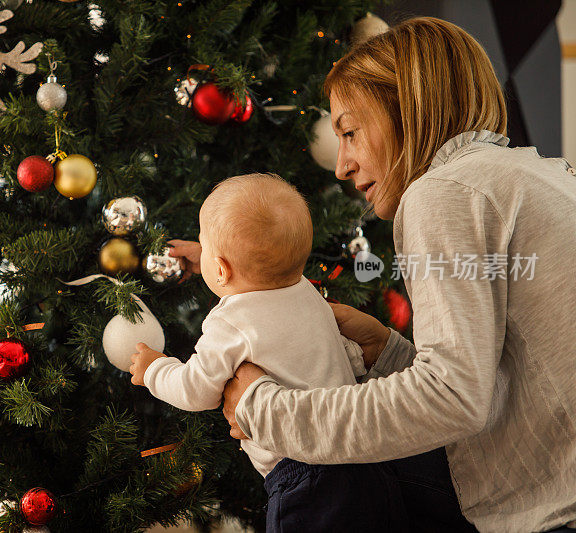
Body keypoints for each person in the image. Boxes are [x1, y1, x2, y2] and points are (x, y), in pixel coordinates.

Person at [195, 16, 576, 533]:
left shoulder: (444, 191)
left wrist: (270, 413)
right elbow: (500, 382)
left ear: (409, 110)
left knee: (322, 477)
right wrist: (389, 352)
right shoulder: (535, 173)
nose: (342, 165)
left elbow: (453, 401)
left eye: (350, 132)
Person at [129, 173, 409, 532]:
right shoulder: (308, 292)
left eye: (205, 242)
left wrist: (155, 369)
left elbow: (196, 389)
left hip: (305, 478)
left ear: (220, 268)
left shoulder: (229, 322)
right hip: (367, 461)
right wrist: (218, 254)